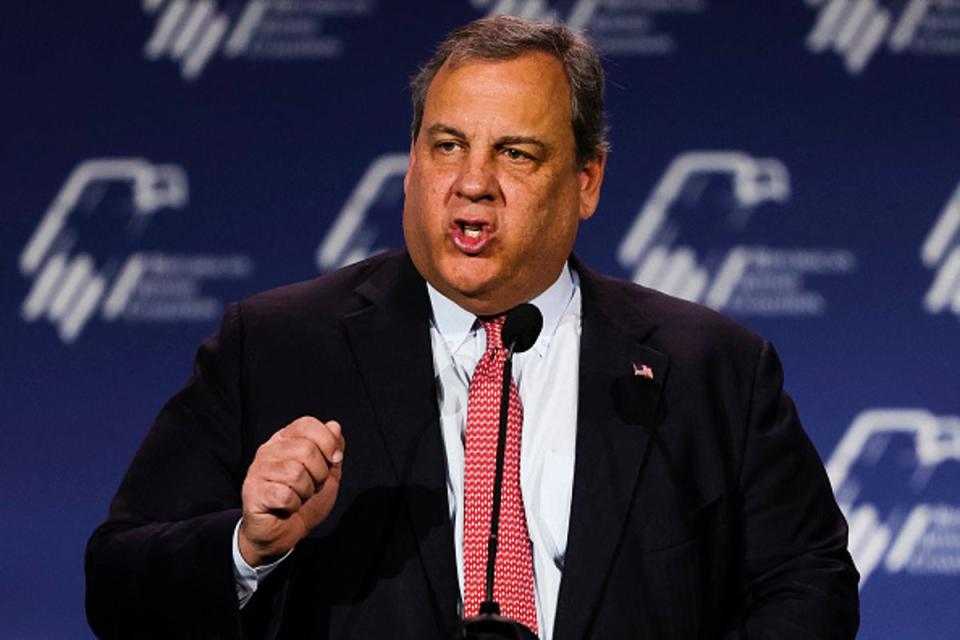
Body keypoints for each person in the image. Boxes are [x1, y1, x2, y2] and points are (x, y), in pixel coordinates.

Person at [85, 15, 859, 640]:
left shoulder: (711, 368)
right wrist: (248, 547)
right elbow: (117, 585)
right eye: (447, 145)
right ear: (412, 162)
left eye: (515, 154)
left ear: (586, 181)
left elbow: (808, 585)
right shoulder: (276, 347)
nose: (472, 185)